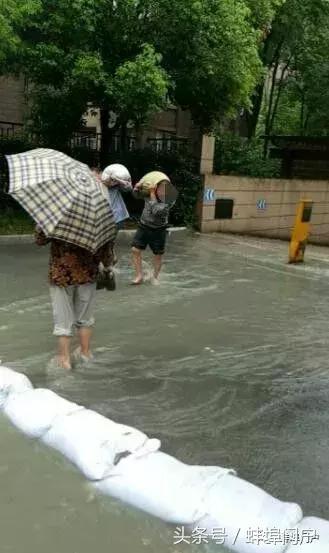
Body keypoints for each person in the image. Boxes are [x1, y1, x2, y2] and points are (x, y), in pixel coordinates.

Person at [35, 227, 114, 370]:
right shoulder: (97, 219)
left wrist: (40, 226)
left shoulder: (58, 216)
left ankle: (64, 359)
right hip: (87, 274)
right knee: (85, 318)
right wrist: (107, 267)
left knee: (62, 319)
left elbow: (40, 240)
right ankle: (85, 353)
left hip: (61, 275)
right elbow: (107, 253)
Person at [131, 176, 172, 285]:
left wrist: (152, 194)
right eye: (160, 188)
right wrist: (136, 188)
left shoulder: (169, 198)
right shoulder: (150, 191)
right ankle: (139, 275)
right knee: (135, 250)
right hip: (144, 225)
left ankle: (155, 277)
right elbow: (136, 196)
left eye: (164, 189)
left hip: (159, 229)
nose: (162, 191)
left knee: (157, 255)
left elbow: (156, 211)